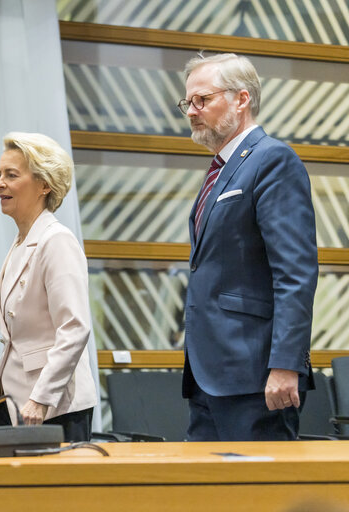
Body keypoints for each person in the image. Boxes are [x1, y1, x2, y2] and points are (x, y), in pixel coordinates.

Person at [178, 53, 318, 441]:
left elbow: (295, 273)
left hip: (257, 380)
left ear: (241, 99)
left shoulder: (272, 160)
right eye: (187, 103)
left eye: (202, 100)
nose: (192, 111)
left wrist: (286, 365)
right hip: (208, 378)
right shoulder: (222, 170)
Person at [0, 132, 98, 442]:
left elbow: (74, 328)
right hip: (15, 398)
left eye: (11, 175)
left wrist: (42, 397)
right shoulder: (22, 241)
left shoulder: (56, 240)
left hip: (53, 405)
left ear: (44, 184)